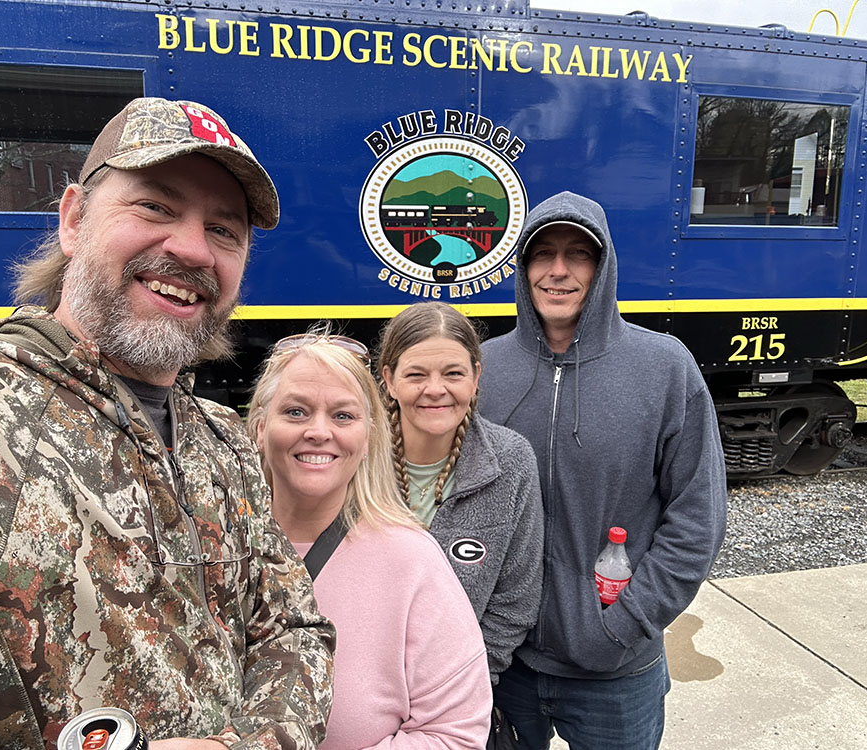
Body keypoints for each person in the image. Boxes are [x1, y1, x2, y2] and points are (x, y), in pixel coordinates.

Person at [0, 97, 334, 749]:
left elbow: (295, 632)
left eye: (224, 229)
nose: (192, 247)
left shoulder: (223, 441)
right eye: (156, 207)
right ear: (74, 219)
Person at [477, 191, 727, 749]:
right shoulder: (486, 368)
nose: (558, 270)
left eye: (578, 254)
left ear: (604, 266)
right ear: (522, 269)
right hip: (503, 665)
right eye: (542, 254)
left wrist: (624, 626)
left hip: (615, 671)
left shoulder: (664, 367)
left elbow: (697, 516)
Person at [246, 330, 492, 750]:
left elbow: (456, 733)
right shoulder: (213, 549)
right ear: (259, 426)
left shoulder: (410, 559)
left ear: (367, 437)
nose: (319, 431)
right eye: (296, 412)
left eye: (343, 416)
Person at [376, 302, 544, 684]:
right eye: (416, 374)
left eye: (453, 373)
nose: (435, 390)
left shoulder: (510, 462)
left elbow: (515, 601)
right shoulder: (355, 457)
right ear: (389, 378)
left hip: (462, 690)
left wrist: (462, 686)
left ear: (475, 376)